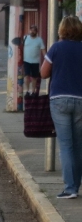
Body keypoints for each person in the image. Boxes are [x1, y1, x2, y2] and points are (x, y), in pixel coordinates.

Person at [39, 16, 82, 199]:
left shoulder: (56, 48)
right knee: (78, 145)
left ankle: (70, 189)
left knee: (66, 145)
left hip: (59, 100)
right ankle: (76, 185)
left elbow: (43, 73)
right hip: (80, 99)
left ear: (62, 30)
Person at [23, 24, 46, 96]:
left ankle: (33, 91)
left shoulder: (39, 40)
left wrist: (46, 59)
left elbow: (43, 50)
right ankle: (27, 91)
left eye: (34, 30)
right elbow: (20, 48)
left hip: (35, 62)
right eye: (31, 30)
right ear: (29, 30)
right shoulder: (25, 38)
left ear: (36, 32)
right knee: (26, 76)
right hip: (26, 61)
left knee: (34, 77)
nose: (32, 31)